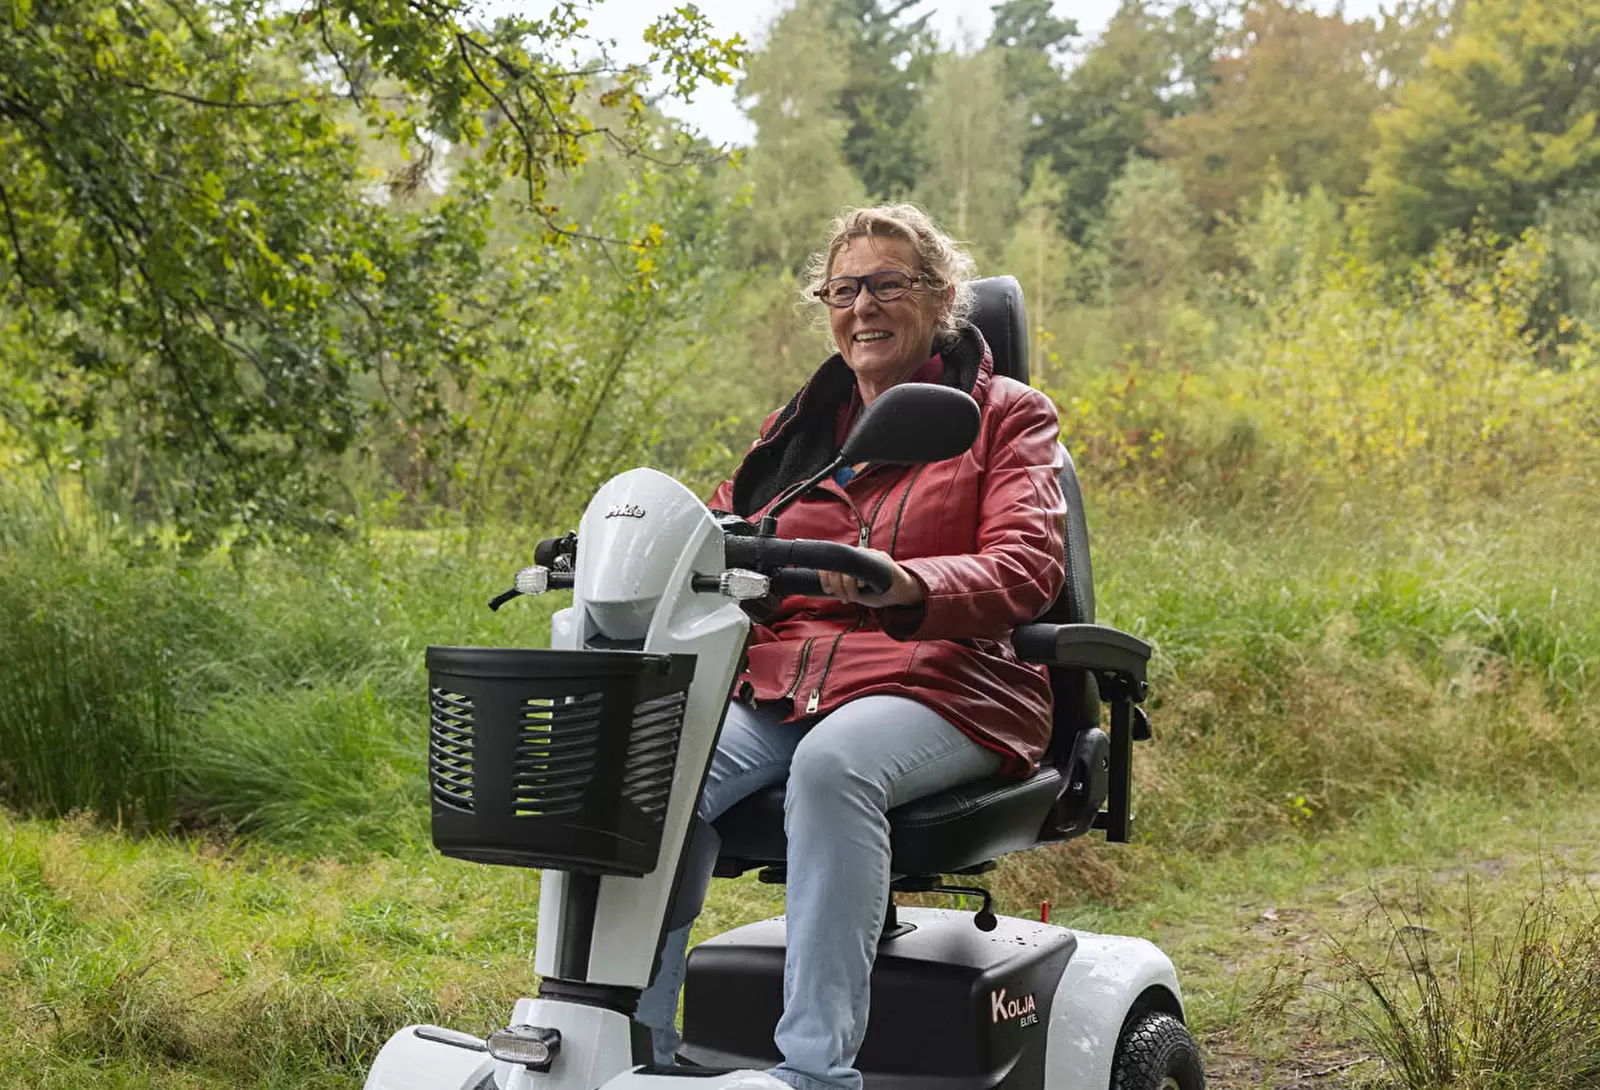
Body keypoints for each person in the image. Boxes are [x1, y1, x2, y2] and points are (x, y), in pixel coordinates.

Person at [635, 203, 1068, 1090]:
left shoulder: (1005, 417)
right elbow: (731, 531)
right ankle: (635, 1049)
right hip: (791, 682)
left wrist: (910, 584)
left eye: (887, 285)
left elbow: (1026, 568)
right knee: (656, 771)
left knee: (833, 768)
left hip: (950, 681)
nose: (862, 307)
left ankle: (814, 1071)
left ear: (944, 298)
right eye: (844, 289)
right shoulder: (798, 436)